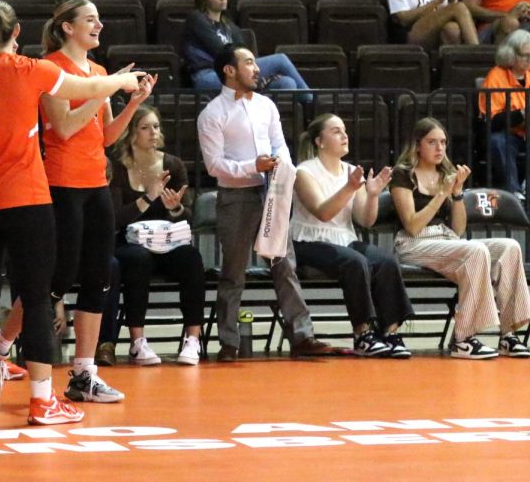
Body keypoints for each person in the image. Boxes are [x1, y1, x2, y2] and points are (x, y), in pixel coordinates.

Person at [0, 0, 146, 425]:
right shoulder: (31, 69)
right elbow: (83, 92)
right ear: (16, 35)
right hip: (26, 199)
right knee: (36, 297)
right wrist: (123, 79)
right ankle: (42, 399)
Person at [0, 0, 155, 402]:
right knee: (53, 282)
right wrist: (107, 88)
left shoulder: (96, 72)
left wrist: (130, 101)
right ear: (66, 28)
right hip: (60, 184)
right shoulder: (51, 68)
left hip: (96, 184)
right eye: (90, 19)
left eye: (98, 19)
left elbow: (107, 137)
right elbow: (63, 127)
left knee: (98, 278)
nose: (99, 25)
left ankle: (84, 374)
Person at [196, 43, 337, 362]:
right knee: (234, 270)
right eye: (248, 63)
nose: (257, 68)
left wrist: (282, 168)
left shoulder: (266, 106)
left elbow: (281, 146)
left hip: (272, 192)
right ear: (229, 71)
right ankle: (229, 341)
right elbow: (214, 165)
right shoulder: (213, 114)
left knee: (285, 263)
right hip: (236, 196)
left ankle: (302, 335)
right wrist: (252, 167)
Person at [391, 117, 530, 359]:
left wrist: (456, 195)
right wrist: (441, 193)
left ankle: (508, 334)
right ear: (417, 146)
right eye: (432, 142)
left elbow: (458, 230)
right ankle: (463, 338)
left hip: (446, 240)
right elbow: (412, 225)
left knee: (509, 246)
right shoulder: (402, 175)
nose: (440, 148)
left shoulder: (446, 172)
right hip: (414, 243)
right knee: (476, 251)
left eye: (443, 142)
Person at [291, 114, 413, 358]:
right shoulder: (304, 171)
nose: (344, 135)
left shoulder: (350, 170)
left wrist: (373, 194)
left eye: (345, 130)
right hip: (309, 241)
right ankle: (362, 333)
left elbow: (365, 220)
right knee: (354, 262)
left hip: (344, 239)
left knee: (386, 261)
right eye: (336, 131)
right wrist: (350, 188)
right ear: (320, 141)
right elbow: (323, 213)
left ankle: (389, 333)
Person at [107, 106, 205, 365]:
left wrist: (175, 208)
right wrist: (148, 197)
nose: (153, 132)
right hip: (130, 242)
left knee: (191, 258)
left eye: (156, 126)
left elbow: (189, 215)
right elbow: (116, 218)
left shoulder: (172, 164)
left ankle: (192, 339)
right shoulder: (117, 167)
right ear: (131, 134)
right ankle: (137, 341)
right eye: (145, 127)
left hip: (167, 241)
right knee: (138, 259)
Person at [183, 0, 310, 92]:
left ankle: (258, 115)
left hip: (235, 72)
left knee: (287, 83)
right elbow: (222, 53)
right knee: (280, 60)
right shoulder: (197, 19)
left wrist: (256, 72)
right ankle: (313, 104)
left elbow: (246, 53)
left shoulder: (230, 26)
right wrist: (252, 68)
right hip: (208, 76)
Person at [478, 30, 530, 193]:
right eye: (526, 55)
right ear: (511, 54)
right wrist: (522, 114)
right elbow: (492, 122)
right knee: (498, 141)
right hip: (508, 133)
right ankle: (514, 193)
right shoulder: (496, 77)